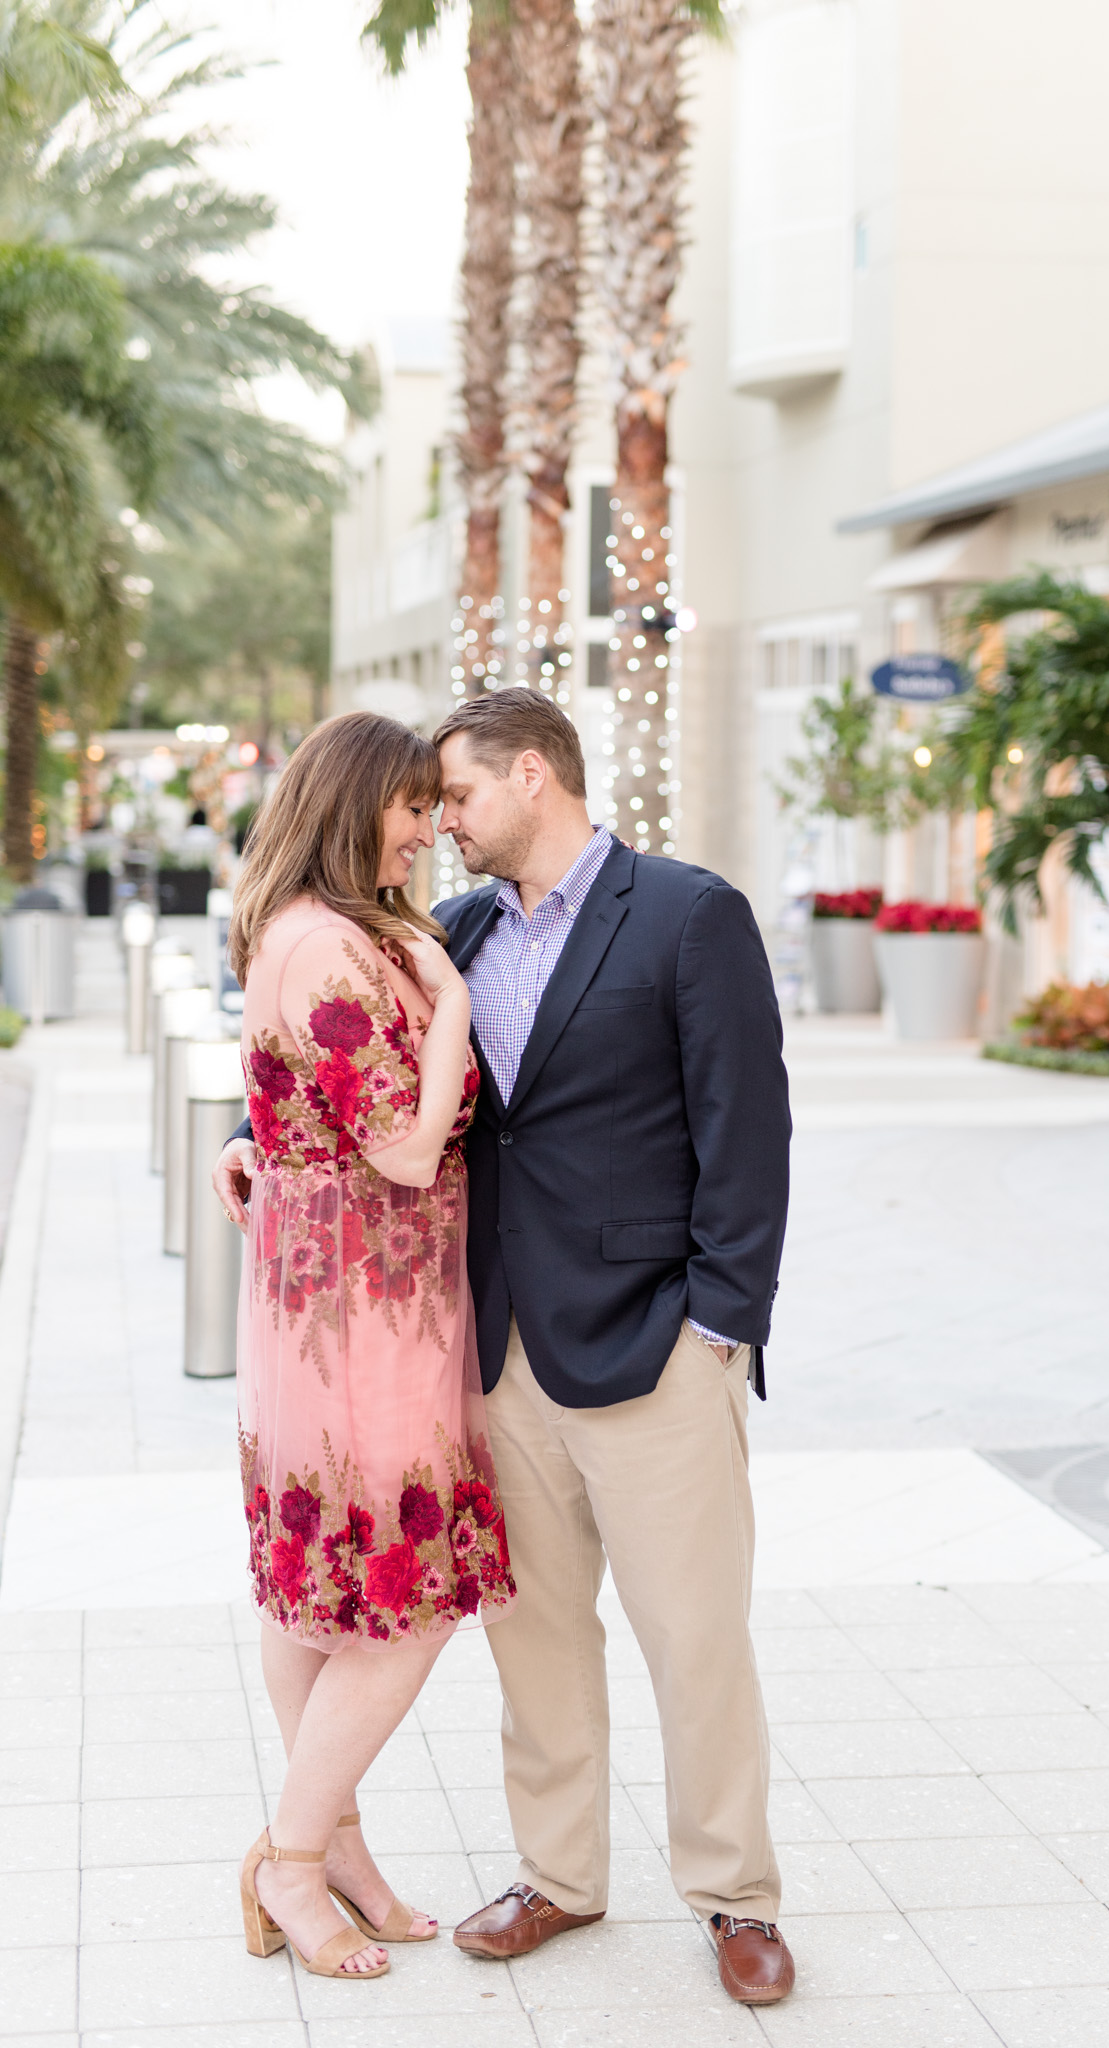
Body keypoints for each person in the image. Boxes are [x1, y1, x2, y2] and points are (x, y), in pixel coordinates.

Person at [216, 690, 794, 2006]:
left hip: (649, 1346)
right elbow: (344, 1071)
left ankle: (733, 1897)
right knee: (532, 1639)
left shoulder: (688, 915)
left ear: (532, 776)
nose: (442, 826)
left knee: (692, 1635)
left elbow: (747, 1132)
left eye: (457, 797)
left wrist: (719, 1327)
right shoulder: (451, 929)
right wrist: (260, 1147)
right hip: (483, 1351)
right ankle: (561, 1876)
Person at [223, 711, 515, 1983]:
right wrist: (449, 996)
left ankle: (334, 1844)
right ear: (356, 807)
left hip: (334, 1292)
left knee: (323, 1582)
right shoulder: (332, 942)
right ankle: (292, 1853)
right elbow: (401, 1146)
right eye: (408, 805)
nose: (425, 828)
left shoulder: (331, 929)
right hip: (360, 1310)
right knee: (401, 1596)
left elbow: (292, 1110)